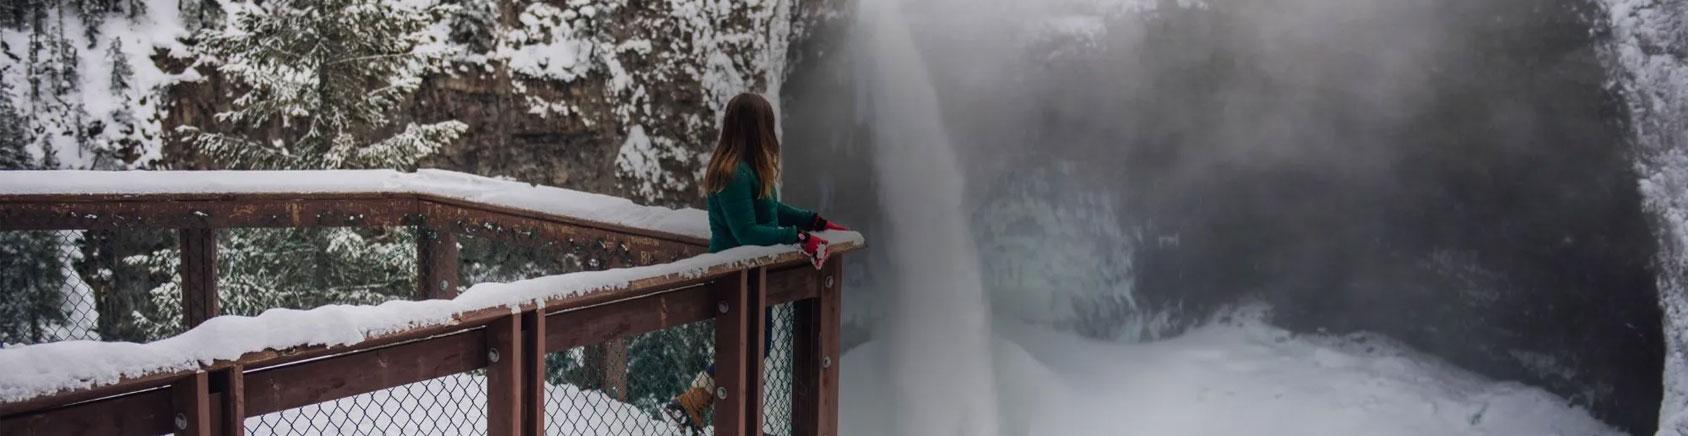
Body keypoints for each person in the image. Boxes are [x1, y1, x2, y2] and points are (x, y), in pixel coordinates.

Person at [665, 93, 847, 432]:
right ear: (755, 129)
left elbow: (770, 210)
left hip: (752, 273)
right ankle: (696, 404)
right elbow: (747, 232)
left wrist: (815, 221)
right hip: (735, 274)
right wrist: (798, 236)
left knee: (753, 348)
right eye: (767, 125)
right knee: (747, 347)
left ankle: (706, 407)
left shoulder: (748, 169)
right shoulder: (733, 174)